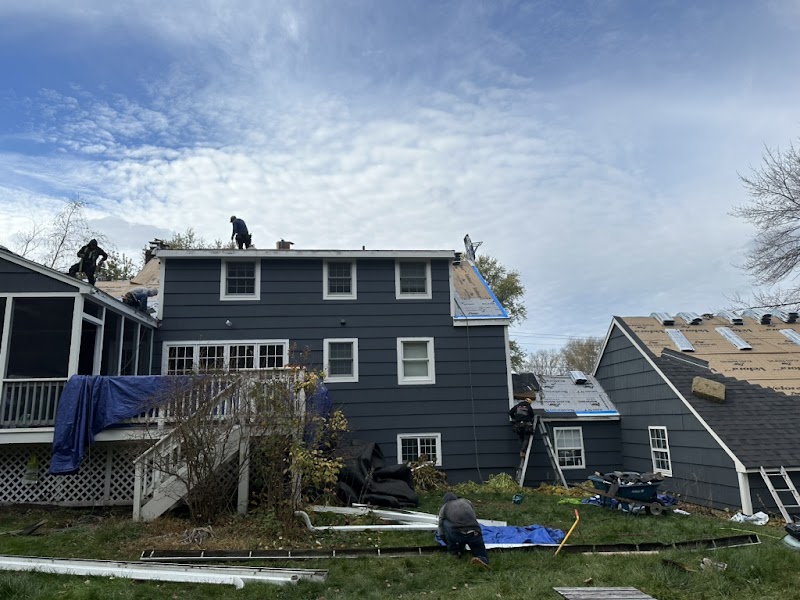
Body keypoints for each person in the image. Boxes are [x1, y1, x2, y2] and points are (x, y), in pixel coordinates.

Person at [438, 492, 489, 568]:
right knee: (480, 551)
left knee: (445, 523)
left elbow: (441, 531)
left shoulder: (444, 507)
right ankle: (481, 558)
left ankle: (454, 553)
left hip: (458, 534)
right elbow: (473, 517)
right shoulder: (466, 501)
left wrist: (448, 542)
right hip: (474, 533)